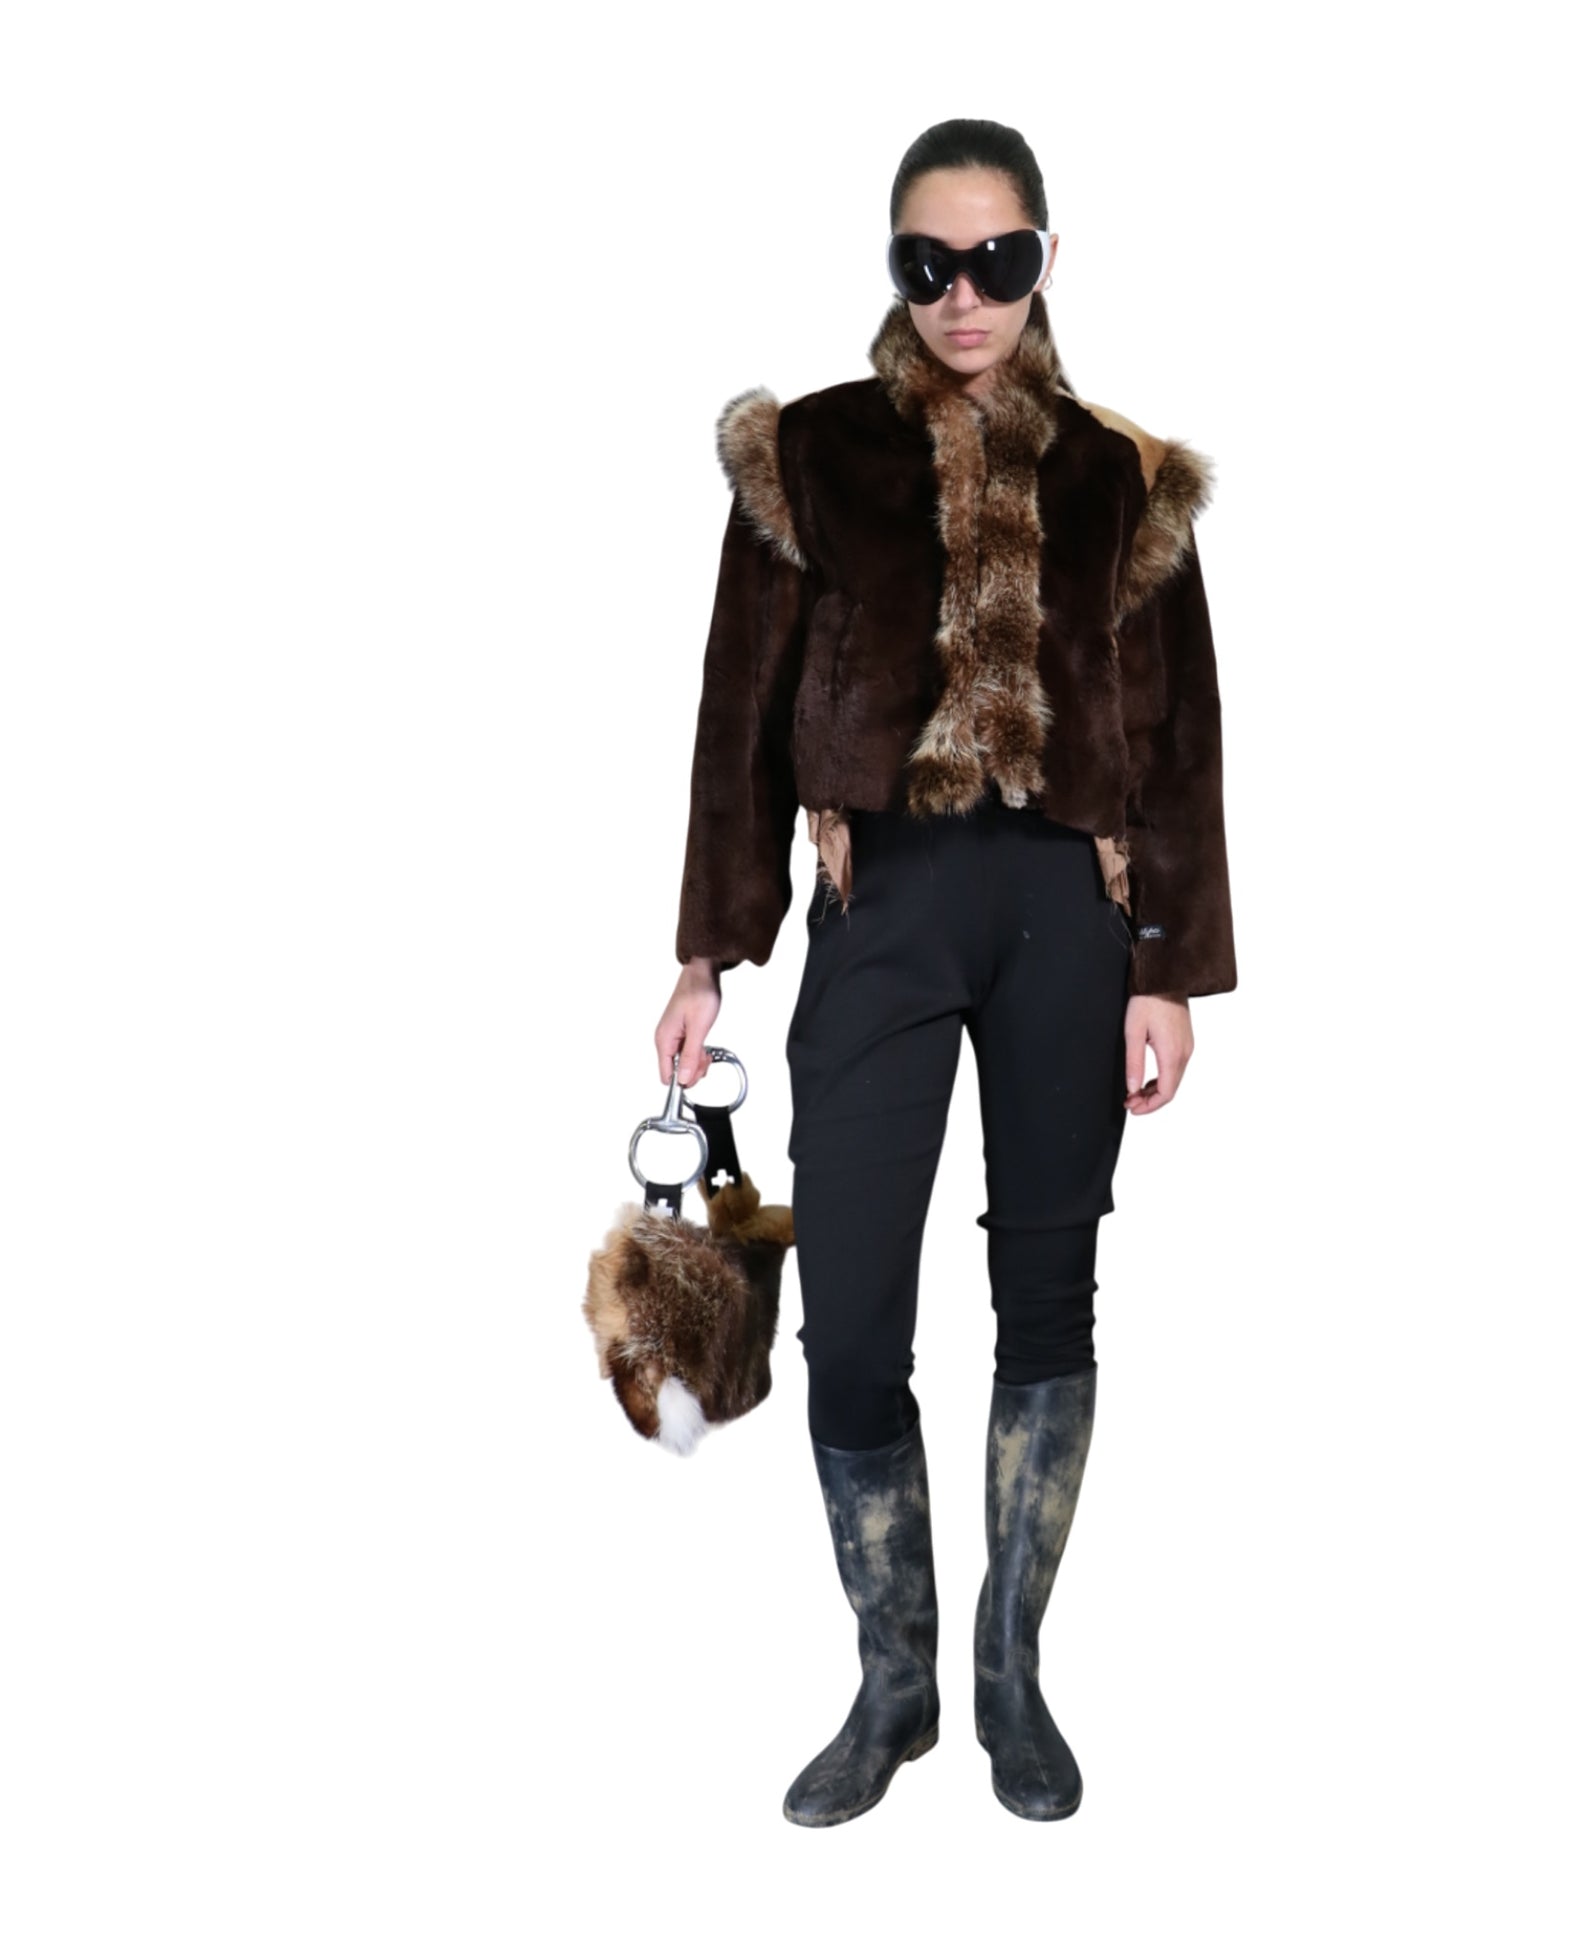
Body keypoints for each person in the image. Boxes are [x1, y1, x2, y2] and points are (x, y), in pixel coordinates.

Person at [653, 118, 1238, 1826]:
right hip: (881, 910)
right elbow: (737, 714)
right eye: (929, 261)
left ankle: (1008, 1672)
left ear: (1045, 259)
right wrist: (708, 947)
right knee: (849, 1312)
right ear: (894, 265)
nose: (962, 294)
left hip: (1069, 916)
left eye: (997, 259)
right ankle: (891, 1680)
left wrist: (1166, 966)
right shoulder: (807, 457)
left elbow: (1178, 738)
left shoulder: (1122, 477)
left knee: (1048, 1297)